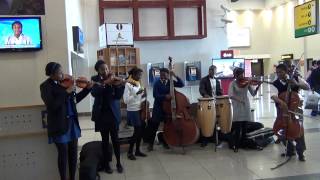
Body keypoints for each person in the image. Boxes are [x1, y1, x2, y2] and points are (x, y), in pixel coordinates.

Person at [40, 62, 92, 180]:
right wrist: (66, 92)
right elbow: (52, 105)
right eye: (59, 73)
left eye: (62, 71)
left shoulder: (65, 83)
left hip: (72, 123)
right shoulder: (45, 86)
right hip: (59, 124)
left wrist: (87, 90)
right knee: (63, 154)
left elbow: (75, 100)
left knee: (73, 153)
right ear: (52, 74)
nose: (63, 74)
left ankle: (73, 177)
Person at [91, 60, 126, 174]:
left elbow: (118, 96)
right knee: (105, 141)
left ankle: (119, 163)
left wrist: (121, 85)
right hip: (101, 114)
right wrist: (106, 82)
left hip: (112, 114)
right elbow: (94, 93)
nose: (105, 71)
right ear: (98, 70)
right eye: (102, 69)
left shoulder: (114, 79)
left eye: (106, 68)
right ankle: (106, 164)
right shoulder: (95, 79)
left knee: (115, 140)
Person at [271, 63, 310, 161]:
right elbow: (273, 96)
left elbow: (307, 87)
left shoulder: (295, 78)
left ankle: (301, 152)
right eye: (277, 72)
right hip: (282, 110)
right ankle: (290, 150)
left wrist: (296, 84)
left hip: (296, 110)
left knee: (299, 131)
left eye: (281, 72)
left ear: (287, 71)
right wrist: (281, 102)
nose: (279, 74)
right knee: (281, 130)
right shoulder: (275, 83)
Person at [145, 68, 184, 151]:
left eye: (164, 74)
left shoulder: (171, 82)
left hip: (168, 109)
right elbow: (155, 95)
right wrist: (165, 96)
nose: (162, 76)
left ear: (168, 74)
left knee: (167, 127)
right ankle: (150, 144)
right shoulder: (157, 83)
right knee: (154, 126)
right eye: (161, 74)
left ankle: (165, 142)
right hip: (158, 108)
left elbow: (182, 84)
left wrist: (175, 75)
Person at [228, 68, 261, 152]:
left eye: (242, 74)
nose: (242, 76)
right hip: (237, 106)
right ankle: (236, 145)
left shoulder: (246, 82)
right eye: (240, 74)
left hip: (245, 105)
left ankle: (244, 143)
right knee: (238, 128)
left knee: (244, 127)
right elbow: (230, 95)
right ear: (235, 75)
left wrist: (258, 86)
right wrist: (239, 100)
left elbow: (253, 94)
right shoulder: (233, 83)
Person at [123, 67, 147, 160]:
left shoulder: (138, 84)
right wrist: (136, 94)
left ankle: (137, 151)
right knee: (137, 132)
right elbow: (125, 101)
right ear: (132, 75)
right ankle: (130, 152)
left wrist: (144, 97)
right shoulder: (128, 85)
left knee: (140, 131)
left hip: (140, 109)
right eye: (138, 75)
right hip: (133, 111)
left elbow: (140, 99)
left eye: (141, 75)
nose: (140, 76)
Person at [199, 65, 223, 147]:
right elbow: (201, 89)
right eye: (211, 70)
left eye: (214, 70)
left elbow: (219, 92)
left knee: (215, 121)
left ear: (216, 72)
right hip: (207, 103)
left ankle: (214, 138)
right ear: (209, 71)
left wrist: (222, 96)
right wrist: (205, 95)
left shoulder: (217, 81)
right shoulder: (203, 80)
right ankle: (204, 140)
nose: (212, 72)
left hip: (216, 103)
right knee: (206, 121)